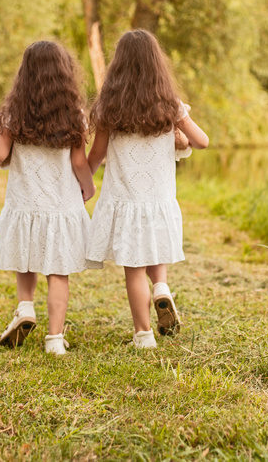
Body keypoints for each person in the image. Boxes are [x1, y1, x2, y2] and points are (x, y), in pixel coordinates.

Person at [86, 30, 209, 349]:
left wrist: (79, 182)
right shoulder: (169, 105)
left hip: (125, 199)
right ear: (157, 65)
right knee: (154, 247)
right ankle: (162, 289)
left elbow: (96, 156)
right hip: (159, 199)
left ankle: (143, 336)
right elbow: (202, 141)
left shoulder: (109, 107)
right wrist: (179, 131)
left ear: (118, 66)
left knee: (134, 269)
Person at [0, 41, 96, 356]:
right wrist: (88, 187)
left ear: (25, 74)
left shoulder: (13, 112)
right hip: (61, 202)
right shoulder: (75, 115)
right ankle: (55, 340)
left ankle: (26, 307)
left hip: (26, 202)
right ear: (65, 73)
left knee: (26, 256)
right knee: (58, 271)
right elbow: (79, 162)